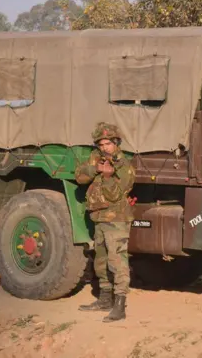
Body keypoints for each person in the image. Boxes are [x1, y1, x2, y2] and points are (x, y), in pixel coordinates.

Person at [76, 122, 136, 323]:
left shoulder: (124, 165)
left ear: (116, 143)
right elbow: (80, 176)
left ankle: (120, 305)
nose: (104, 148)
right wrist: (95, 169)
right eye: (101, 144)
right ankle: (104, 299)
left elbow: (116, 194)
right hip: (99, 218)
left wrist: (108, 176)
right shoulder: (96, 159)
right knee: (101, 261)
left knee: (117, 261)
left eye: (108, 144)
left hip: (116, 219)